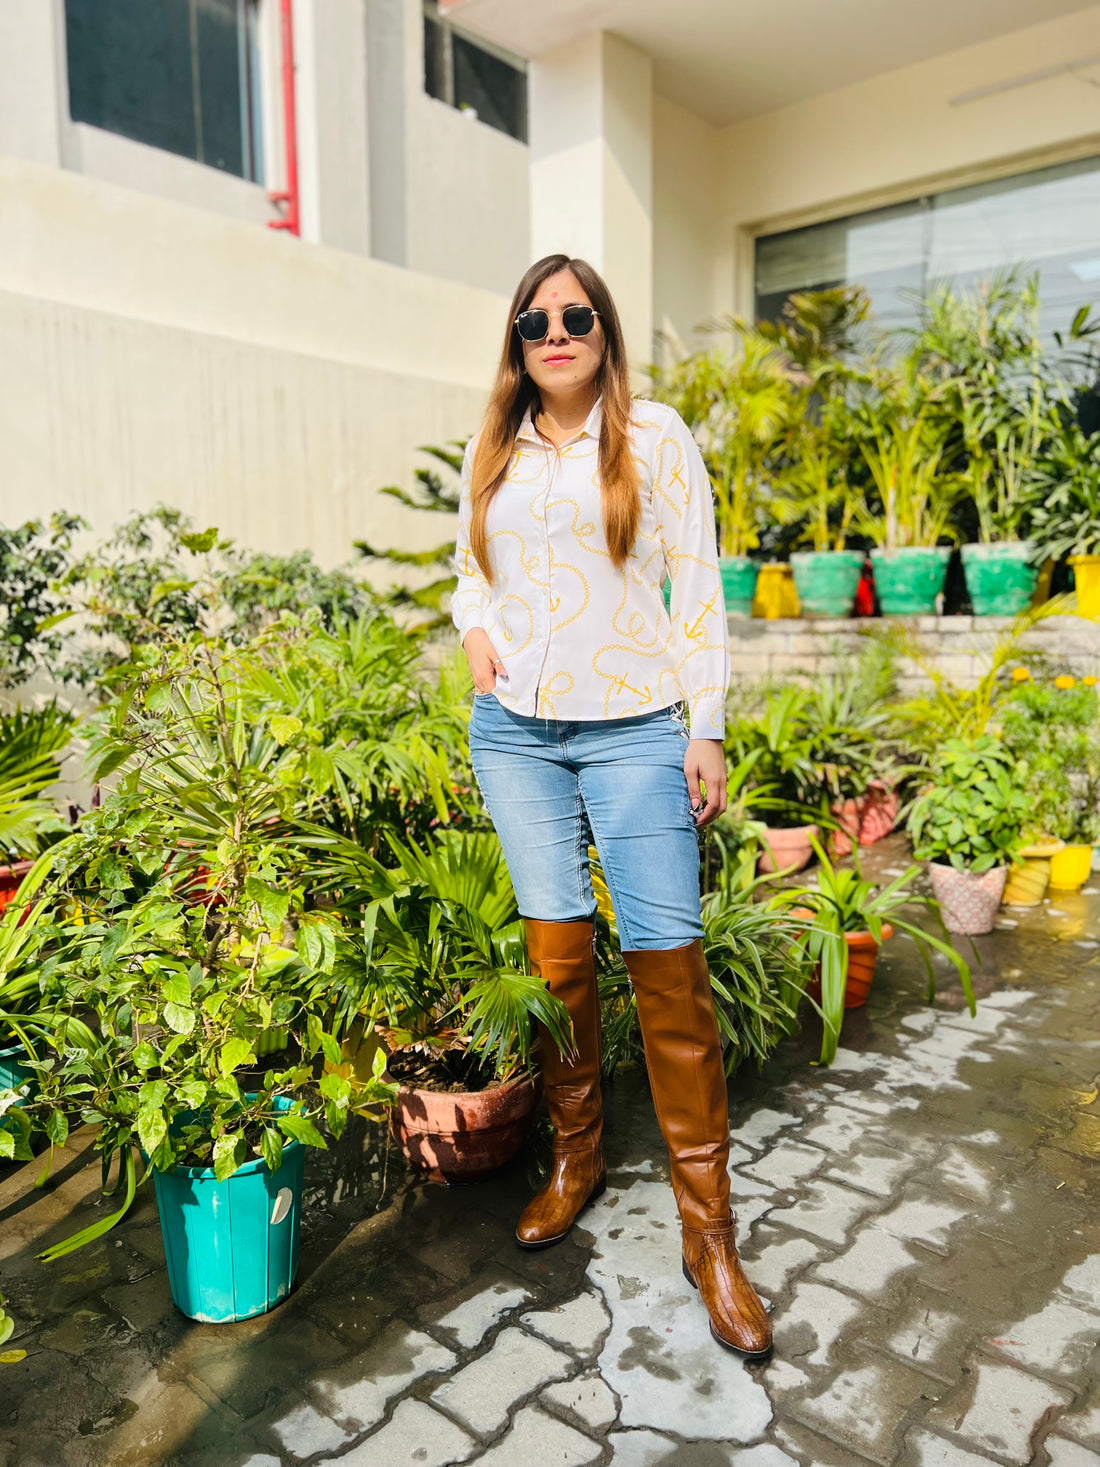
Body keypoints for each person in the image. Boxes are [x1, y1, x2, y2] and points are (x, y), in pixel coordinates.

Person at [449, 253, 771, 1360]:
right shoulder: (492, 446)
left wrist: (704, 723)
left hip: (634, 727)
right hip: (515, 734)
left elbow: (697, 582)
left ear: (603, 332)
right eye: (535, 320)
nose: (556, 333)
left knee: (668, 968)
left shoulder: (655, 436)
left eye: (576, 316)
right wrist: (474, 630)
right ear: (517, 340)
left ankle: (709, 1235)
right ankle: (577, 1155)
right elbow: (470, 568)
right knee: (556, 962)